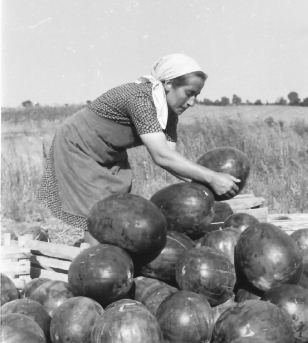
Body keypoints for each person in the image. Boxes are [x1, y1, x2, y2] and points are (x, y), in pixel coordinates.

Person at [37, 53, 240, 245]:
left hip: (109, 153)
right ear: (168, 84)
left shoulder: (167, 113)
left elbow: (170, 156)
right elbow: (162, 156)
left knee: (117, 207)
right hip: (79, 146)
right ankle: (95, 259)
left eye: (196, 95)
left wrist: (205, 184)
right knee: (98, 212)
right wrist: (211, 177)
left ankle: (113, 255)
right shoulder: (141, 98)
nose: (192, 102)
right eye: (189, 93)